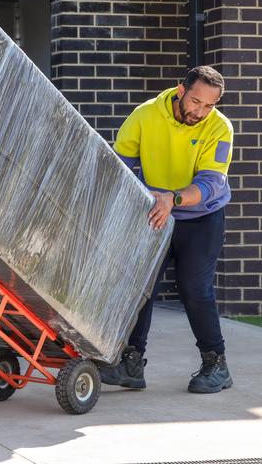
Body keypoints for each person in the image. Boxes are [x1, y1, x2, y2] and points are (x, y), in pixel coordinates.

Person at [101, 66, 234, 394]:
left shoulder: (219, 128)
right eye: (195, 101)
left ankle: (216, 364)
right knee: (140, 284)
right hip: (155, 212)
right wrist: (147, 199)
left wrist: (171, 199)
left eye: (209, 106)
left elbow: (210, 183)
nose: (200, 112)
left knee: (194, 287)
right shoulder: (145, 115)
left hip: (201, 217)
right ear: (180, 91)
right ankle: (131, 363)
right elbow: (122, 166)